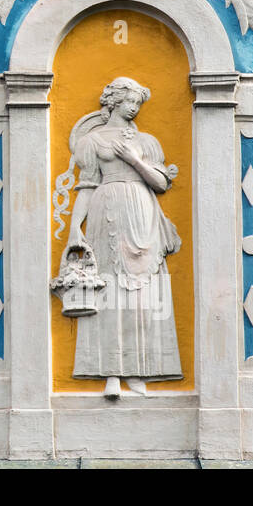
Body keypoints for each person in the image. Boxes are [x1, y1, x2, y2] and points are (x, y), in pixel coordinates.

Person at [58, 76, 183, 397]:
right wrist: (75, 228)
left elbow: (159, 182)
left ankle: (139, 370)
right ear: (114, 101)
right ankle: (111, 371)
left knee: (142, 297)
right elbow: (86, 186)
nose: (135, 108)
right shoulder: (93, 141)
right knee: (108, 292)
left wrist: (133, 158)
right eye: (130, 102)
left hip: (142, 214)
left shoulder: (147, 142)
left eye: (138, 104)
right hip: (106, 212)